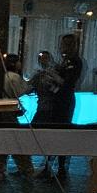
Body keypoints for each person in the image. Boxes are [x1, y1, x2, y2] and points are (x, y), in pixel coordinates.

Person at [32, 32, 82, 174]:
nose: (62, 47)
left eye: (65, 44)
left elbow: (67, 83)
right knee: (55, 134)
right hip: (58, 100)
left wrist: (52, 74)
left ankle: (61, 168)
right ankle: (50, 166)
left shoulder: (75, 62)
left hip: (64, 101)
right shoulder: (65, 61)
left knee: (61, 134)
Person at [2, 53, 34, 174]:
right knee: (16, 139)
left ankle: (0, 168)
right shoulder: (14, 77)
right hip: (9, 111)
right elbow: (23, 91)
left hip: (2, 110)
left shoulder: (3, 76)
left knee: (3, 140)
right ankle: (25, 168)